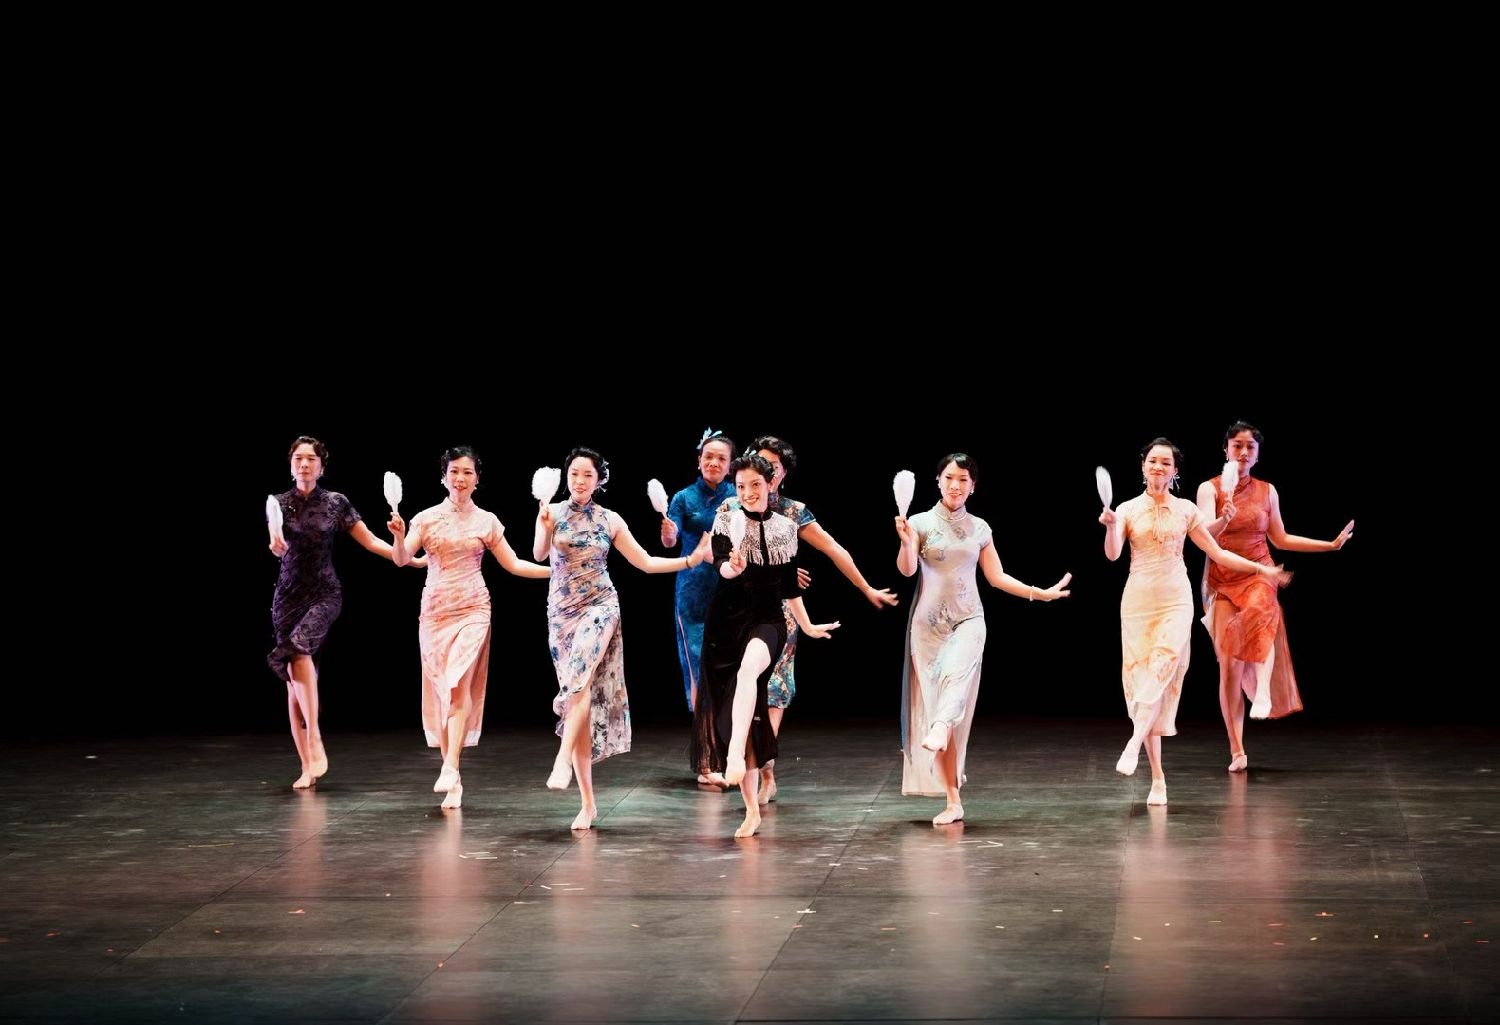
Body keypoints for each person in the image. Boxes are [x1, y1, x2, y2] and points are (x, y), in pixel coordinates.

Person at [1100, 438, 1292, 806]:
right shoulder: (1126, 509)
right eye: (1153, 461)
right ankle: (1158, 778)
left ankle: (1133, 743)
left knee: (1163, 666)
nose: (1158, 467)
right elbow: (1112, 555)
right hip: (1138, 603)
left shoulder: (1186, 509)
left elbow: (1217, 552)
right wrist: (1110, 526)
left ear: (1175, 471)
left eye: (1165, 463)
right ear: (1143, 466)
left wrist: (1260, 569)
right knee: (1144, 684)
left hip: (1175, 600)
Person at [534, 446, 708, 830]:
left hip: (601, 608)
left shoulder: (609, 519)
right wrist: (544, 527)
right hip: (561, 615)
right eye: (575, 474)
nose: (580, 481)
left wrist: (690, 560)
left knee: (579, 682)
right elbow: (539, 553)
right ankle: (588, 803)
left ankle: (562, 759)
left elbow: (644, 562)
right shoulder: (552, 511)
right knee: (578, 696)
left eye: (588, 475)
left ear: (599, 481)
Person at [894, 452, 1070, 826]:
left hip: (969, 620)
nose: (955, 485)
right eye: (949, 478)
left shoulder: (980, 528)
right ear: (938, 480)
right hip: (928, 630)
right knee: (944, 709)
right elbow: (907, 570)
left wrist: (1039, 593)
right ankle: (953, 800)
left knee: (955, 684)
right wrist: (907, 543)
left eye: (963, 480)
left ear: (973, 486)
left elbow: (997, 577)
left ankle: (939, 727)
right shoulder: (919, 522)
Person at [734, 435, 899, 804]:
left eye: (773, 466)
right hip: (739, 612)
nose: (765, 471)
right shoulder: (733, 505)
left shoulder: (793, 513)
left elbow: (835, 549)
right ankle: (749, 763)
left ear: (781, 474)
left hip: (781, 613)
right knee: (743, 689)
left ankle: (763, 769)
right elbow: (719, 554)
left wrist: (866, 588)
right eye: (759, 461)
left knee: (773, 690)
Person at [389, 446, 550, 810]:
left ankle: (449, 765)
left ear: (477, 479)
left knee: (459, 682)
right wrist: (398, 536)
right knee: (443, 692)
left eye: (467, 472)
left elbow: (514, 564)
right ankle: (454, 776)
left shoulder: (487, 521)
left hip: (474, 609)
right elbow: (402, 559)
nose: (460, 478)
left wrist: (556, 572)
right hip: (435, 613)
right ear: (443, 477)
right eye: (454, 472)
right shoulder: (425, 518)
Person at [692, 454, 839, 838]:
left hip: (766, 623)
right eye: (741, 486)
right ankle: (752, 810)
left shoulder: (786, 528)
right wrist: (734, 566)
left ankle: (734, 755)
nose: (747, 493)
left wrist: (806, 625)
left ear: (770, 484)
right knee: (742, 716)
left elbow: (789, 588)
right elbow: (721, 565)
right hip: (724, 629)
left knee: (749, 670)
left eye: (755, 485)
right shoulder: (727, 518)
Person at [1195, 421, 1355, 772]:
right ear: (1225, 450)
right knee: (1229, 666)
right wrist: (1223, 519)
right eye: (1237, 445)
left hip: (1261, 572)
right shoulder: (1210, 489)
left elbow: (1280, 538)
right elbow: (1203, 536)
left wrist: (1329, 545)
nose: (1243, 452)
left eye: (1250, 447)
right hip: (1223, 578)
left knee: (1262, 608)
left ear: (1258, 454)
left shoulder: (1268, 491)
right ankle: (1237, 750)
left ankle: (1264, 691)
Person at [268, 436, 414, 790]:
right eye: (298, 458)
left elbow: (371, 541)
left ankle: (315, 736)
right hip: (287, 598)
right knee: (293, 683)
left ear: (321, 466)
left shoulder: (336, 502)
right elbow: (273, 531)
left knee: (300, 650)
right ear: (290, 464)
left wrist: (406, 555)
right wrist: (274, 540)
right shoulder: (278, 502)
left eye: (311, 459)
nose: (304, 464)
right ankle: (307, 766)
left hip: (324, 594)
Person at [658, 429, 736, 714]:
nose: (713, 462)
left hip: (731, 586)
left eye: (721, 458)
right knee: (696, 658)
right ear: (699, 461)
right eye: (708, 457)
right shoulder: (683, 498)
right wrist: (668, 533)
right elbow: (670, 541)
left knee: (730, 657)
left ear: (730, 465)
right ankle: (703, 731)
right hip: (693, 589)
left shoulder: (738, 496)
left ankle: (729, 726)